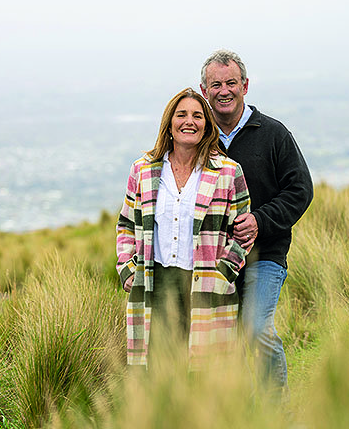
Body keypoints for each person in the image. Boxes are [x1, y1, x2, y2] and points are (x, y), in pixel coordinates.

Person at [200, 49, 313, 395]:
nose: (224, 91)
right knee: (225, 344)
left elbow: (300, 190)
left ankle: (277, 415)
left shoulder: (274, 134)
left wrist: (260, 221)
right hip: (215, 260)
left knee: (254, 329)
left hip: (265, 255)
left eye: (231, 83)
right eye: (215, 84)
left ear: (245, 85)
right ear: (204, 90)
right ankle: (247, 424)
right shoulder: (199, 139)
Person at [115, 87, 251, 370]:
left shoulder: (228, 172)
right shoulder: (143, 170)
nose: (189, 121)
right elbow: (126, 224)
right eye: (182, 115)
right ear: (169, 123)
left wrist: (225, 272)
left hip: (206, 285)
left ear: (207, 125)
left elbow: (243, 233)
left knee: (204, 373)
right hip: (155, 284)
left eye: (198, 116)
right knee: (157, 371)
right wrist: (127, 270)